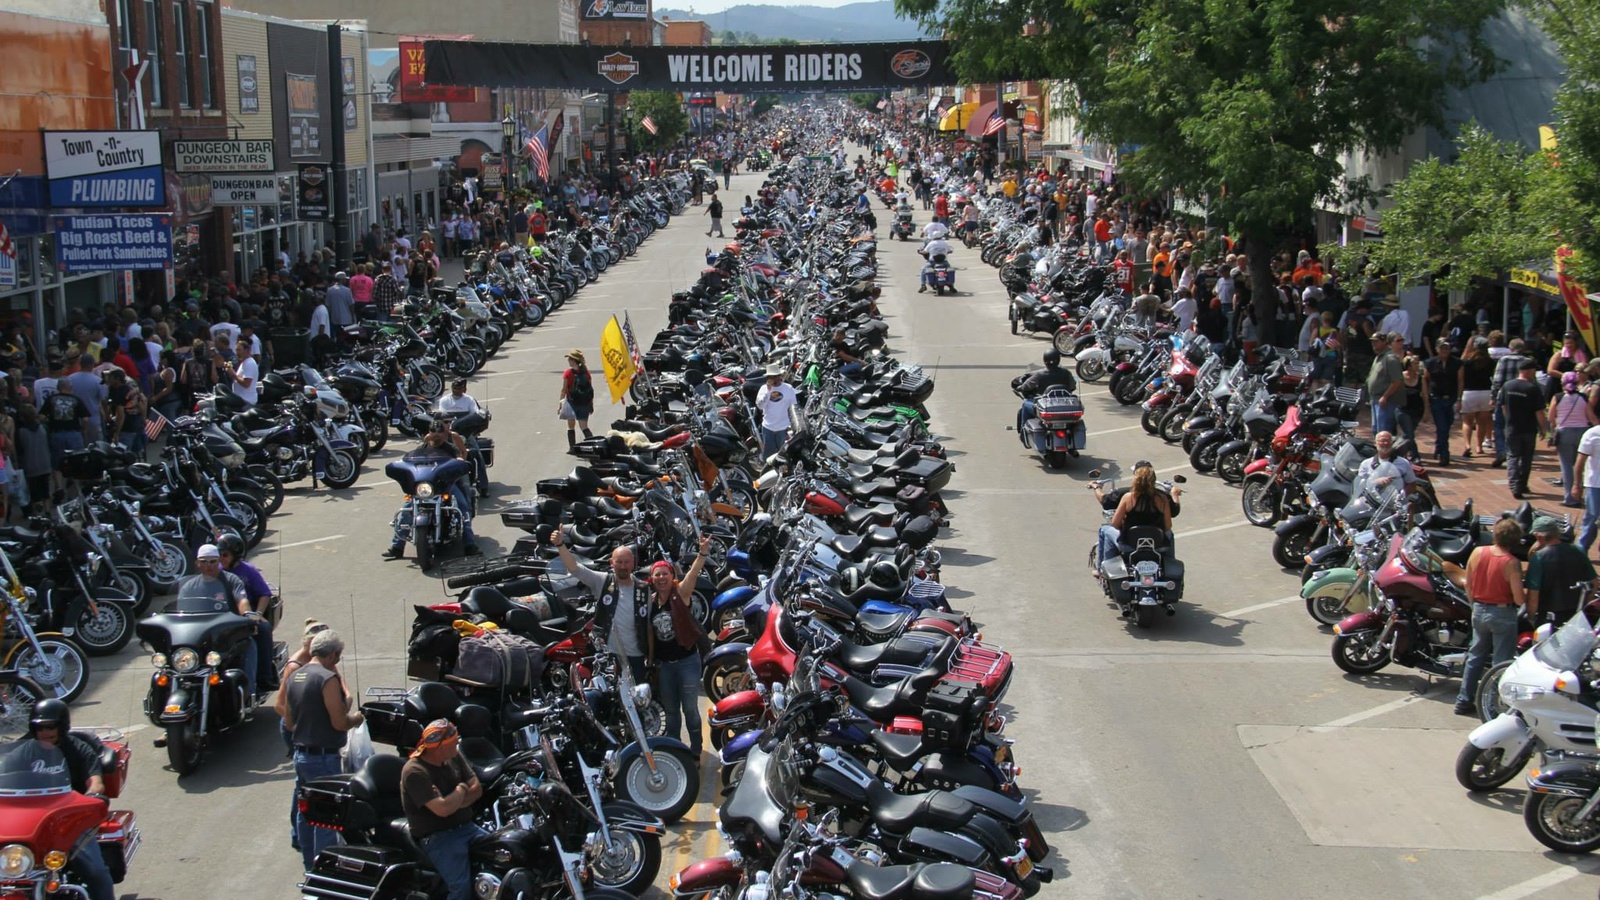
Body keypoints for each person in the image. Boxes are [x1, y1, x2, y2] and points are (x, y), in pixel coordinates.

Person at [277, 628, 364, 871]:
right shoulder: (327, 678)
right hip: (324, 759)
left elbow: (289, 722)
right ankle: (323, 873)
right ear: (332, 654)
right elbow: (339, 722)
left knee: (305, 815)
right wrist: (356, 718)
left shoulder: (296, 676)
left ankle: (309, 867)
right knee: (326, 818)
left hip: (301, 755)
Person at [25, 700, 114, 900]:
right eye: (39, 727)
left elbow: (96, 782)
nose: (44, 732)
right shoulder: (24, 751)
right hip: (31, 821)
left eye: (50, 727)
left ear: (62, 727)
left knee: (96, 872)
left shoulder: (79, 749)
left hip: (70, 821)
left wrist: (91, 798)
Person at [400, 720, 485, 900]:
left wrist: (452, 802)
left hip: (467, 828)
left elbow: (477, 789)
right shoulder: (414, 771)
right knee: (461, 888)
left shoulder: (454, 755)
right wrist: (461, 789)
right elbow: (442, 810)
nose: (458, 743)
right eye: (454, 741)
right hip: (439, 837)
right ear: (440, 748)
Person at [551, 529, 649, 685]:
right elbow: (575, 569)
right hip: (608, 656)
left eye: (626, 562)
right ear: (612, 562)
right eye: (619, 562)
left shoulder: (644, 589)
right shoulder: (603, 581)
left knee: (638, 702)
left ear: (634, 562)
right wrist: (561, 545)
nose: (623, 566)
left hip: (635, 656)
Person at [1455, 517, 1532, 715]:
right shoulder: (1512, 563)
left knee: (1475, 656)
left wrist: (1475, 604)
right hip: (1502, 612)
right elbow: (1518, 598)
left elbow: (1468, 583)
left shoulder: (1478, 552)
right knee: (1500, 662)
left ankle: (1464, 699)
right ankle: (1492, 705)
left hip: (1479, 608)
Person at [644, 537, 713, 757]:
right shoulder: (651, 602)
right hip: (665, 666)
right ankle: (675, 748)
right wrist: (650, 658)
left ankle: (695, 749)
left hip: (687, 662)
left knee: (690, 709)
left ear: (672, 576)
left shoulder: (681, 595)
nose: (662, 578)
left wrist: (702, 554)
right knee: (672, 711)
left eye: (665, 573)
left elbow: (692, 575)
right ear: (652, 579)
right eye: (658, 575)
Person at [384, 417, 480, 559]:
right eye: (433, 432)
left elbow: (459, 458)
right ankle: (397, 547)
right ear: (428, 433)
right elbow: (409, 462)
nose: (436, 435)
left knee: (462, 507)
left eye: (439, 432)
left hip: (445, 485)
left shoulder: (450, 448)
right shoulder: (422, 448)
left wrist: (461, 463)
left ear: (444, 434)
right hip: (425, 487)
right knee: (406, 510)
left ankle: (470, 545)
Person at [179, 543, 260, 696]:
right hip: (199, 636)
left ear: (219, 562)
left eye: (212, 561)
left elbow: (242, 600)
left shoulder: (231, 580)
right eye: (204, 561)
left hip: (226, 634)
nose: (208, 565)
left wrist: (247, 615)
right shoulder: (189, 587)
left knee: (249, 644)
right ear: (197, 563)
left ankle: (249, 692)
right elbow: (180, 611)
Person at [217, 533, 277, 693]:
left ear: (235, 555)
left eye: (225, 555)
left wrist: (257, 614)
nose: (221, 559)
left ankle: (265, 677)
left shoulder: (248, 570)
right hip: (221, 617)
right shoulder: (215, 571)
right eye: (219, 555)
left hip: (245, 616)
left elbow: (264, 594)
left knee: (263, 630)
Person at [1093, 462, 1182, 569]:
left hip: (1129, 544)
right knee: (1169, 534)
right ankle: (1169, 564)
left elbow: (1115, 524)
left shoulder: (1128, 497)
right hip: (1157, 545)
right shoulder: (1162, 499)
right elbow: (1168, 526)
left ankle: (1105, 569)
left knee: (1105, 531)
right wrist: (1175, 495)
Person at [1524, 516, 1599, 626]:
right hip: (1574, 614)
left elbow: (1533, 595)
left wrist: (1530, 618)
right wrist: (1585, 604)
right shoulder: (1578, 550)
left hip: (1548, 617)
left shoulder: (1539, 557)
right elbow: (1594, 583)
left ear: (1538, 536)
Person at [1503, 357, 1551, 499]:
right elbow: (1539, 412)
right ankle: (1521, 484)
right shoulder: (1532, 388)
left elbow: (1503, 406)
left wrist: (1508, 421)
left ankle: (1514, 485)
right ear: (1529, 371)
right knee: (1526, 458)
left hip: (1512, 427)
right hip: (1528, 429)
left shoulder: (1508, 386)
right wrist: (1543, 428)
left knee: (1512, 456)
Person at [1549, 371, 1598, 506]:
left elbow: (1551, 416)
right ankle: (1582, 493)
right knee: (1580, 465)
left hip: (1564, 432)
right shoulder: (1582, 397)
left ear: (1562, 383)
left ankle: (1570, 497)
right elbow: (1591, 416)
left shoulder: (1558, 397)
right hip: (1582, 432)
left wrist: (1554, 426)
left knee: (1566, 466)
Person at [1015, 349, 1077, 429]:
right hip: (1065, 406)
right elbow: (1073, 386)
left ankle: (1023, 429)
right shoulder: (1066, 373)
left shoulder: (1040, 374)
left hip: (1046, 406)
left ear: (1045, 360)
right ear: (1058, 359)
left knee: (1026, 405)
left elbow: (1026, 386)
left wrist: (1019, 388)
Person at [1424, 339, 1462, 465]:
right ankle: (1444, 455)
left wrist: (1459, 399)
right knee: (1442, 427)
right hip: (1436, 398)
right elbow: (1425, 380)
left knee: (1447, 425)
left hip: (1451, 398)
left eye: (1447, 348)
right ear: (1437, 349)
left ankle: (1439, 447)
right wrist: (1426, 398)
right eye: (1442, 348)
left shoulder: (1457, 363)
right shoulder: (1430, 363)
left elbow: (1460, 381)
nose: (1445, 351)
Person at [755, 363, 798, 459]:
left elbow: (794, 407)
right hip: (768, 427)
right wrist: (768, 392)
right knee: (768, 456)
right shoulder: (763, 389)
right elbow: (760, 406)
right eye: (772, 377)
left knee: (784, 455)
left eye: (776, 376)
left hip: (783, 428)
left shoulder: (788, 388)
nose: (775, 379)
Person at [1366, 332, 1404, 436]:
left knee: (1384, 433)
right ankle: (1380, 452)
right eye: (1372, 342)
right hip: (1375, 400)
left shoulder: (1390, 358)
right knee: (1376, 431)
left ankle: (1388, 452)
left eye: (1376, 342)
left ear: (1384, 342)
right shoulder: (1379, 357)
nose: (1373, 344)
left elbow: (1396, 381)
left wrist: (1385, 396)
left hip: (1386, 402)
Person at [557, 350, 595, 453]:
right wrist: (591, 404)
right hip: (584, 404)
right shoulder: (586, 373)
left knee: (571, 426)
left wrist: (560, 405)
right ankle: (593, 446)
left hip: (572, 403)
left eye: (570, 358)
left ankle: (572, 448)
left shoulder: (568, 373)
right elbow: (590, 389)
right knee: (584, 427)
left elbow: (564, 389)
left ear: (574, 360)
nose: (568, 360)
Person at [224, 339, 259, 407]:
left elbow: (246, 384)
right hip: (240, 400)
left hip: (246, 401)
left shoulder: (250, 363)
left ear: (246, 350)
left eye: (239, 350)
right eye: (236, 350)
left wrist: (233, 374)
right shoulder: (244, 362)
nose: (237, 352)